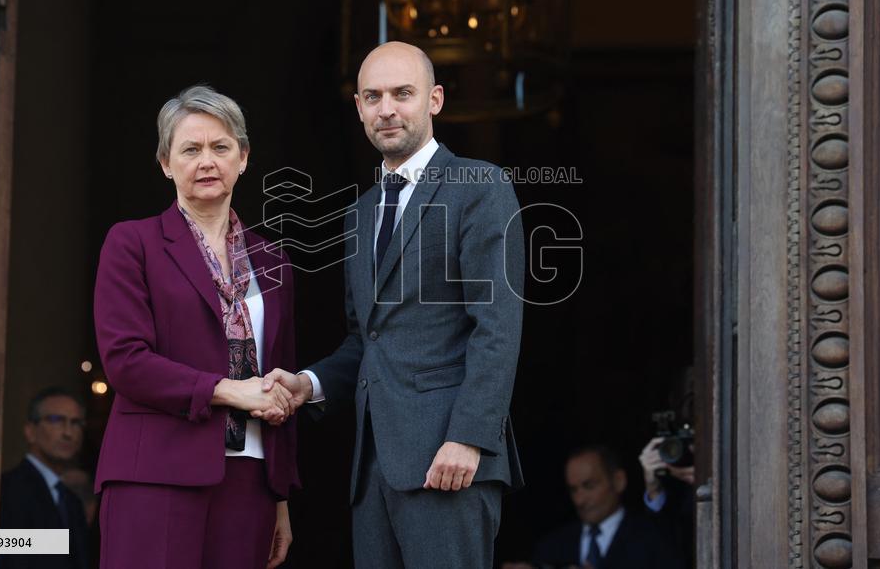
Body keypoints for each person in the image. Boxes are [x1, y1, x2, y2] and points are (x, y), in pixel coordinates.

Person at [263, 41, 526, 568]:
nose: (387, 109)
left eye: (402, 94)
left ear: (435, 99)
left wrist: (469, 439)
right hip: (374, 467)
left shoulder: (479, 186)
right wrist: (309, 384)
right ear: (358, 107)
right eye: (373, 96)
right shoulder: (359, 214)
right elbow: (368, 340)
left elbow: (497, 325)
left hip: (450, 460)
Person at [93, 85, 299, 569]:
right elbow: (125, 362)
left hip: (251, 480)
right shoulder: (132, 243)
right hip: (155, 476)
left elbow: (281, 379)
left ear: (243, 158)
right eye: (190, 149)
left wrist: (282, 495)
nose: (207, 161)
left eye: (221, 147)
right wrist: (229, 390)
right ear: (166, 163)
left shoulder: (275, 260)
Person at [532, 446, 684, 569]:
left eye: (589, 486)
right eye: (573, 490)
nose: (580, 500)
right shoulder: (552, 547)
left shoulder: (651, 537)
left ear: (619, 481)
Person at [0, 387, 90, 569]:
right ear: (30, 431)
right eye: (56, 420)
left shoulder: (72, 502)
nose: (68, 433)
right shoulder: (5, 491)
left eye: (76, 423)